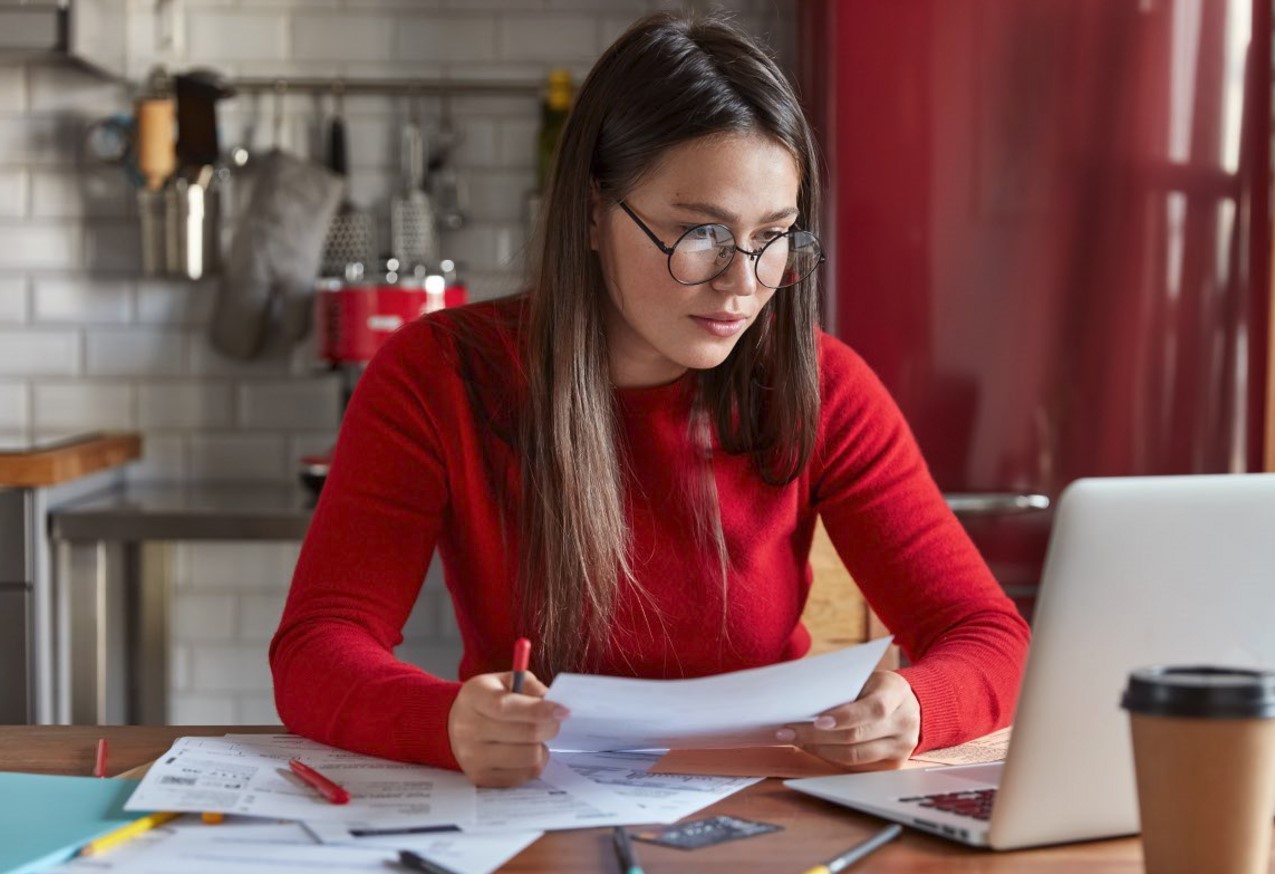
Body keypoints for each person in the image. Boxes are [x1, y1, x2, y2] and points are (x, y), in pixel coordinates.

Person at [270, 11, 1030, 789]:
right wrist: (447, 721)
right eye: (700, 233)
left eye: (773, 236)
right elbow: (317, 647)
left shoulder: (826, 386)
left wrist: (916, 705)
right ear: (594, 213)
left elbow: (988, 635)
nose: (743, 283)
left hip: (762, 817)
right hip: (532, 821)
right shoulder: (438, 375)